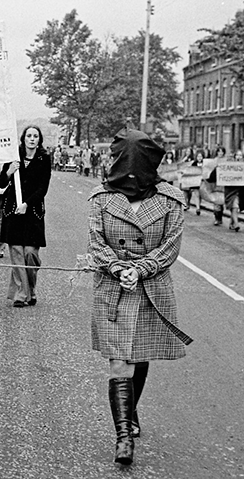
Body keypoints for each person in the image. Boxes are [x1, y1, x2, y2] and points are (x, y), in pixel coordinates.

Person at [88, 128, 193, 465]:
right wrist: (118, 268)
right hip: (113, 290)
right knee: (120, 360)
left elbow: (170, 246)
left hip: (152, 289)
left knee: (140, 353)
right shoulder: (101, 199)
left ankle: (130, 411)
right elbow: (96, 243)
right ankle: (123, 438)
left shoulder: (170, 200)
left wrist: (142, 268)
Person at [0, 125, 52, 307]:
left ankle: (31, 288)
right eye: (29, 136)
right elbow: (1, 183)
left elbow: (42, 188)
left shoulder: (44, 159)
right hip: (13, 210)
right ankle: (21, 294)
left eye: (35, 136)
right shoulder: (13, 157)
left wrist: (27, 204)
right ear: (23, 138)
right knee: (17, 253)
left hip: (32, 210)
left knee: (30, 254)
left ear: (39, 139)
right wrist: (9, 171)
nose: (32, 139)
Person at [224, 149, 244, 232]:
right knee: (234, 206)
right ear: (234, 156)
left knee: (235, 207)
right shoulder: (228, 165)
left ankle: (232, 222)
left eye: (240, 155)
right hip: (231, 190)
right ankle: (236, 224)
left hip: (240, 190)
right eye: (237, 155)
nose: (239, 157)